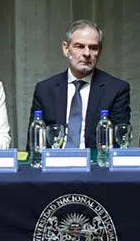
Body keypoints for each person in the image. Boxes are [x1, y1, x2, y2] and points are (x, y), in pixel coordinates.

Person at [29, 20, 131, 148]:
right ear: (66, 49)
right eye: (79, 46)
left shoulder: (116, 89)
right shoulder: (45, 89)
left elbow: (118, 142)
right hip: (54, 164)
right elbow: (34, 143)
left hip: (96, 163)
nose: (87, 54)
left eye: (93, 48)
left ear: (99, 52)